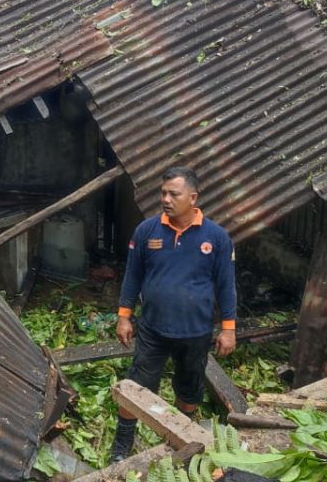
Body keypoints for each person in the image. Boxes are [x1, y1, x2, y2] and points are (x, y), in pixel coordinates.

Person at [108, 167, 237, 464]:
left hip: (195, 333)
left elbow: (226, 286)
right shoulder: (147, 231)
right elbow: (132, 276)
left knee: (189, 388)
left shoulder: (216, 237)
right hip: (152, 329)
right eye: (163, 192)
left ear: (193, 197)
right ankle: (121, 446)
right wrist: (124, 316)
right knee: (137, 388)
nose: (165, 199)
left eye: (173, 194)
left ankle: (180, 444)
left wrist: (228, 329)